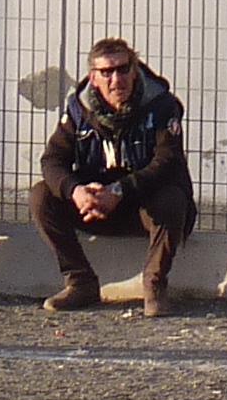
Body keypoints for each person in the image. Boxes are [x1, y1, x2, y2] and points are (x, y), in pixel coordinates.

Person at [31, 36, 199, 319]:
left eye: (122, 69)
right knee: (41, 195)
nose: (116, 79)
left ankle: (155, 286)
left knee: (172, 198)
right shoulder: (77, 110)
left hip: (144, 208)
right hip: (94, 209)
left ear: (134, 70)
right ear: (93, 78)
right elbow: (52, 160)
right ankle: (80, 282)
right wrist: (77, 192)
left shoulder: (162, 106)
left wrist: (120, 191)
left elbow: (166, 162)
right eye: (106, 73)